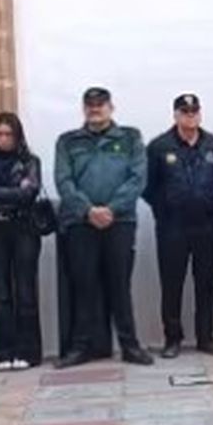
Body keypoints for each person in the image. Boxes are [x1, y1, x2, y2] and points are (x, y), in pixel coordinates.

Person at [55, 88, 153, 368]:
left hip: (119, 221)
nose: (95, 109)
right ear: (83, 108)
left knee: (119, 285)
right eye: (90, 105)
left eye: (100, 104)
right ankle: (81, 347)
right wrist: (88, 210)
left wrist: (111, 209)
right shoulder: (68, 141)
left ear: (111, 107)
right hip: (80, 223)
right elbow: (64, 181)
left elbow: (137, 179)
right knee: (84, 285)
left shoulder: (130, 138)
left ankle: (130, 346)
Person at [144, 94, 213, 358]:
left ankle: (206, 337)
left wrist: (206, 202)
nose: (189, 116)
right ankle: (173, 339)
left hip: (207, 226)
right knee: (172, 285)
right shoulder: (159, 146)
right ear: (175, 115)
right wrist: (166, 208)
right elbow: (147, 187)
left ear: (200, 114)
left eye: (194, 111)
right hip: (173, 228)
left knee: (206, 284)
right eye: (184, 111)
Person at [0, 113, 44, 370]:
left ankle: (29, 352)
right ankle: (4, 352)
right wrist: (8, 195)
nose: (3, 139)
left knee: (25, 290)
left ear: (17, 135)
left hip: (24, 228)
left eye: (8, 134)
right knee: (1, 292)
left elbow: (28, 194)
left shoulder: (29, 161)